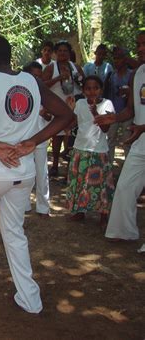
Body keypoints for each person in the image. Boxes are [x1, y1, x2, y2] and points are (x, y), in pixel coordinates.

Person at [0, 36, 73, 314]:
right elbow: (65, 115)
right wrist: (32, 142)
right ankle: (29, 298)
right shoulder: (32, 81)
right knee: (14, 232)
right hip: (23, 170)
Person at [95, 31, 145, 241]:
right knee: (125, 186)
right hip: (140, 141)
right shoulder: (138, 73)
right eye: (139, 44)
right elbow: (131, 110)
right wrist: (113, 118)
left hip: (140, 133)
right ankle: (123, 231)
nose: (140, 48)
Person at [66, 76, 115, 227]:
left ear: (101, 89)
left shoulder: (107, 104)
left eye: (96, 88)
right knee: (81, 183)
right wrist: (68, 111)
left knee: (101, 185)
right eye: (88, 88)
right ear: (83, 90)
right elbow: (75, 121)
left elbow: (106, 128)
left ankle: (103, 214)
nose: (92, 91)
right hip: (80, 149)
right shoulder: (80, 103)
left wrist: (95, 113)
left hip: (98, 151)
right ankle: (81, 211)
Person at [43, 40, 85, 177]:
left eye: (65, 51)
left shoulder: (76, 67)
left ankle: (69, 167)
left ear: (69, 53)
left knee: (70, 136)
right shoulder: (51, 68)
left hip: (71, 106)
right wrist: (58, 78)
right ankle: (54, 165)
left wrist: (75, 78)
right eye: (59, 51)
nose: (62, 53)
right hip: (56, 106)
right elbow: (42, 85)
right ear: (55, 53)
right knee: (56, 136)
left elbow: (84, 83)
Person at [23, 61, 51, 217]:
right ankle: (24, 204)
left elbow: (50, 116)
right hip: (24, 138)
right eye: (34, 75)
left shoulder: (44, 93)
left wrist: (43, 113)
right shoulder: (21, 92)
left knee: (42, 173)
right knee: (25, 171)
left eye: (39, 76)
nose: (36, 79)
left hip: (40, 138)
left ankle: (43, 206)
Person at [104, 46, 133, 163]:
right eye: (115, 58)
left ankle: (128, 169)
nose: (116, 61)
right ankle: (109, 168)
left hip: (128, 112)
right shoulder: (111, 76)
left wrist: (129, 91)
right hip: (113, 113)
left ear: (125, 59)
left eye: (119, 58)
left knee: (127, 141)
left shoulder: (132, 75)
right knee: (110, 140)